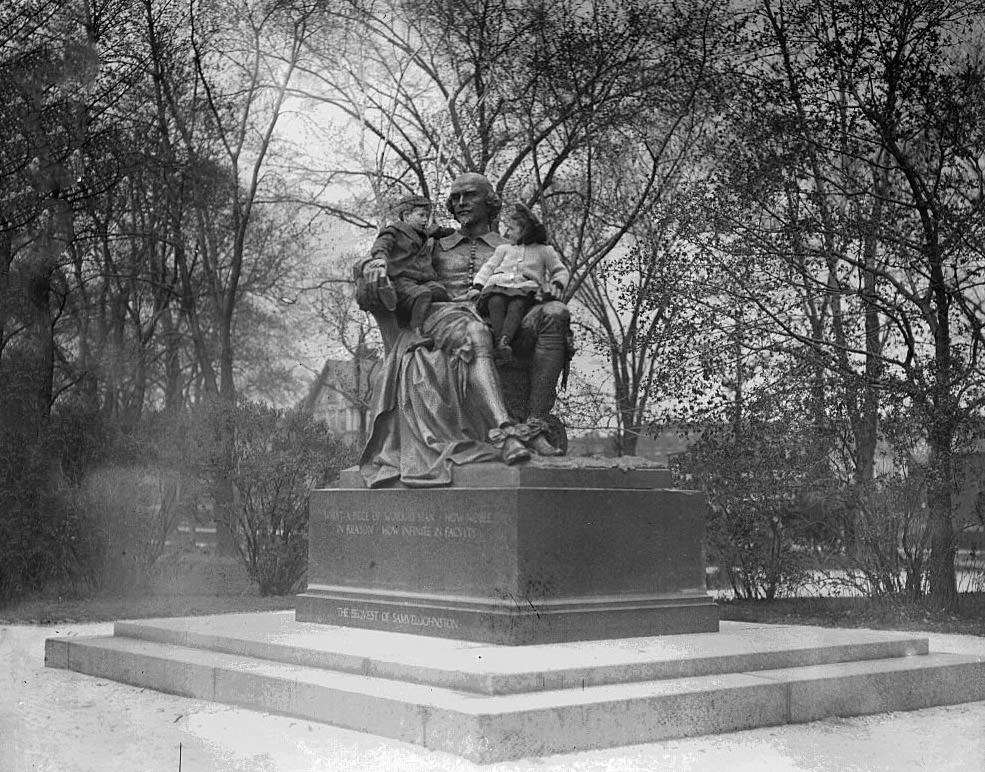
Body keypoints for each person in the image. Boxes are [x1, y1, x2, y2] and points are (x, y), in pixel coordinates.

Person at [354, 173, 571, 485]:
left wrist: (547, 291)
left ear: (490, 203)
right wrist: (368, 268)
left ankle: (535, 424)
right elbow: (390, 251)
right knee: (474, 332)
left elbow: (545, 277)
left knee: (555, 313)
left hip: (505, 321)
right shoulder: (432, 244)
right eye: (455, 198)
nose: (460, 203)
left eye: (469, 195)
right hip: (448, 318)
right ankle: (506, 433)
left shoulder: (512, 246)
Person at [470, 202, 569, 364]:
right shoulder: (503, 249)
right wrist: (478, 286)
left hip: (525, 289)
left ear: (525, 231)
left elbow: (560, 271)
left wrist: (557, 284)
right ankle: (498, 343)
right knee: (495, 302)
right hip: (498, 286)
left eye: (512, 229)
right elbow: (488, 268)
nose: (507, 232)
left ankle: (505, 341)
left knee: (516, 305)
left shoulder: (544, 251)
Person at [369, 195, 449, 349]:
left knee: (440, 292)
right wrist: (380, 259)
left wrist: (453, 232)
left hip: (423, 279)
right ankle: (415, 333)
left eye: (427, 216)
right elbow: (382, 245)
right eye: (421, 215)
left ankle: (441, 328)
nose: (425, 219)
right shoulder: (394, 231)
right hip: (402, 280)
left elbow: (437, 231)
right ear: (406, 216)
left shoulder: (423, 233)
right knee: (422, 294)